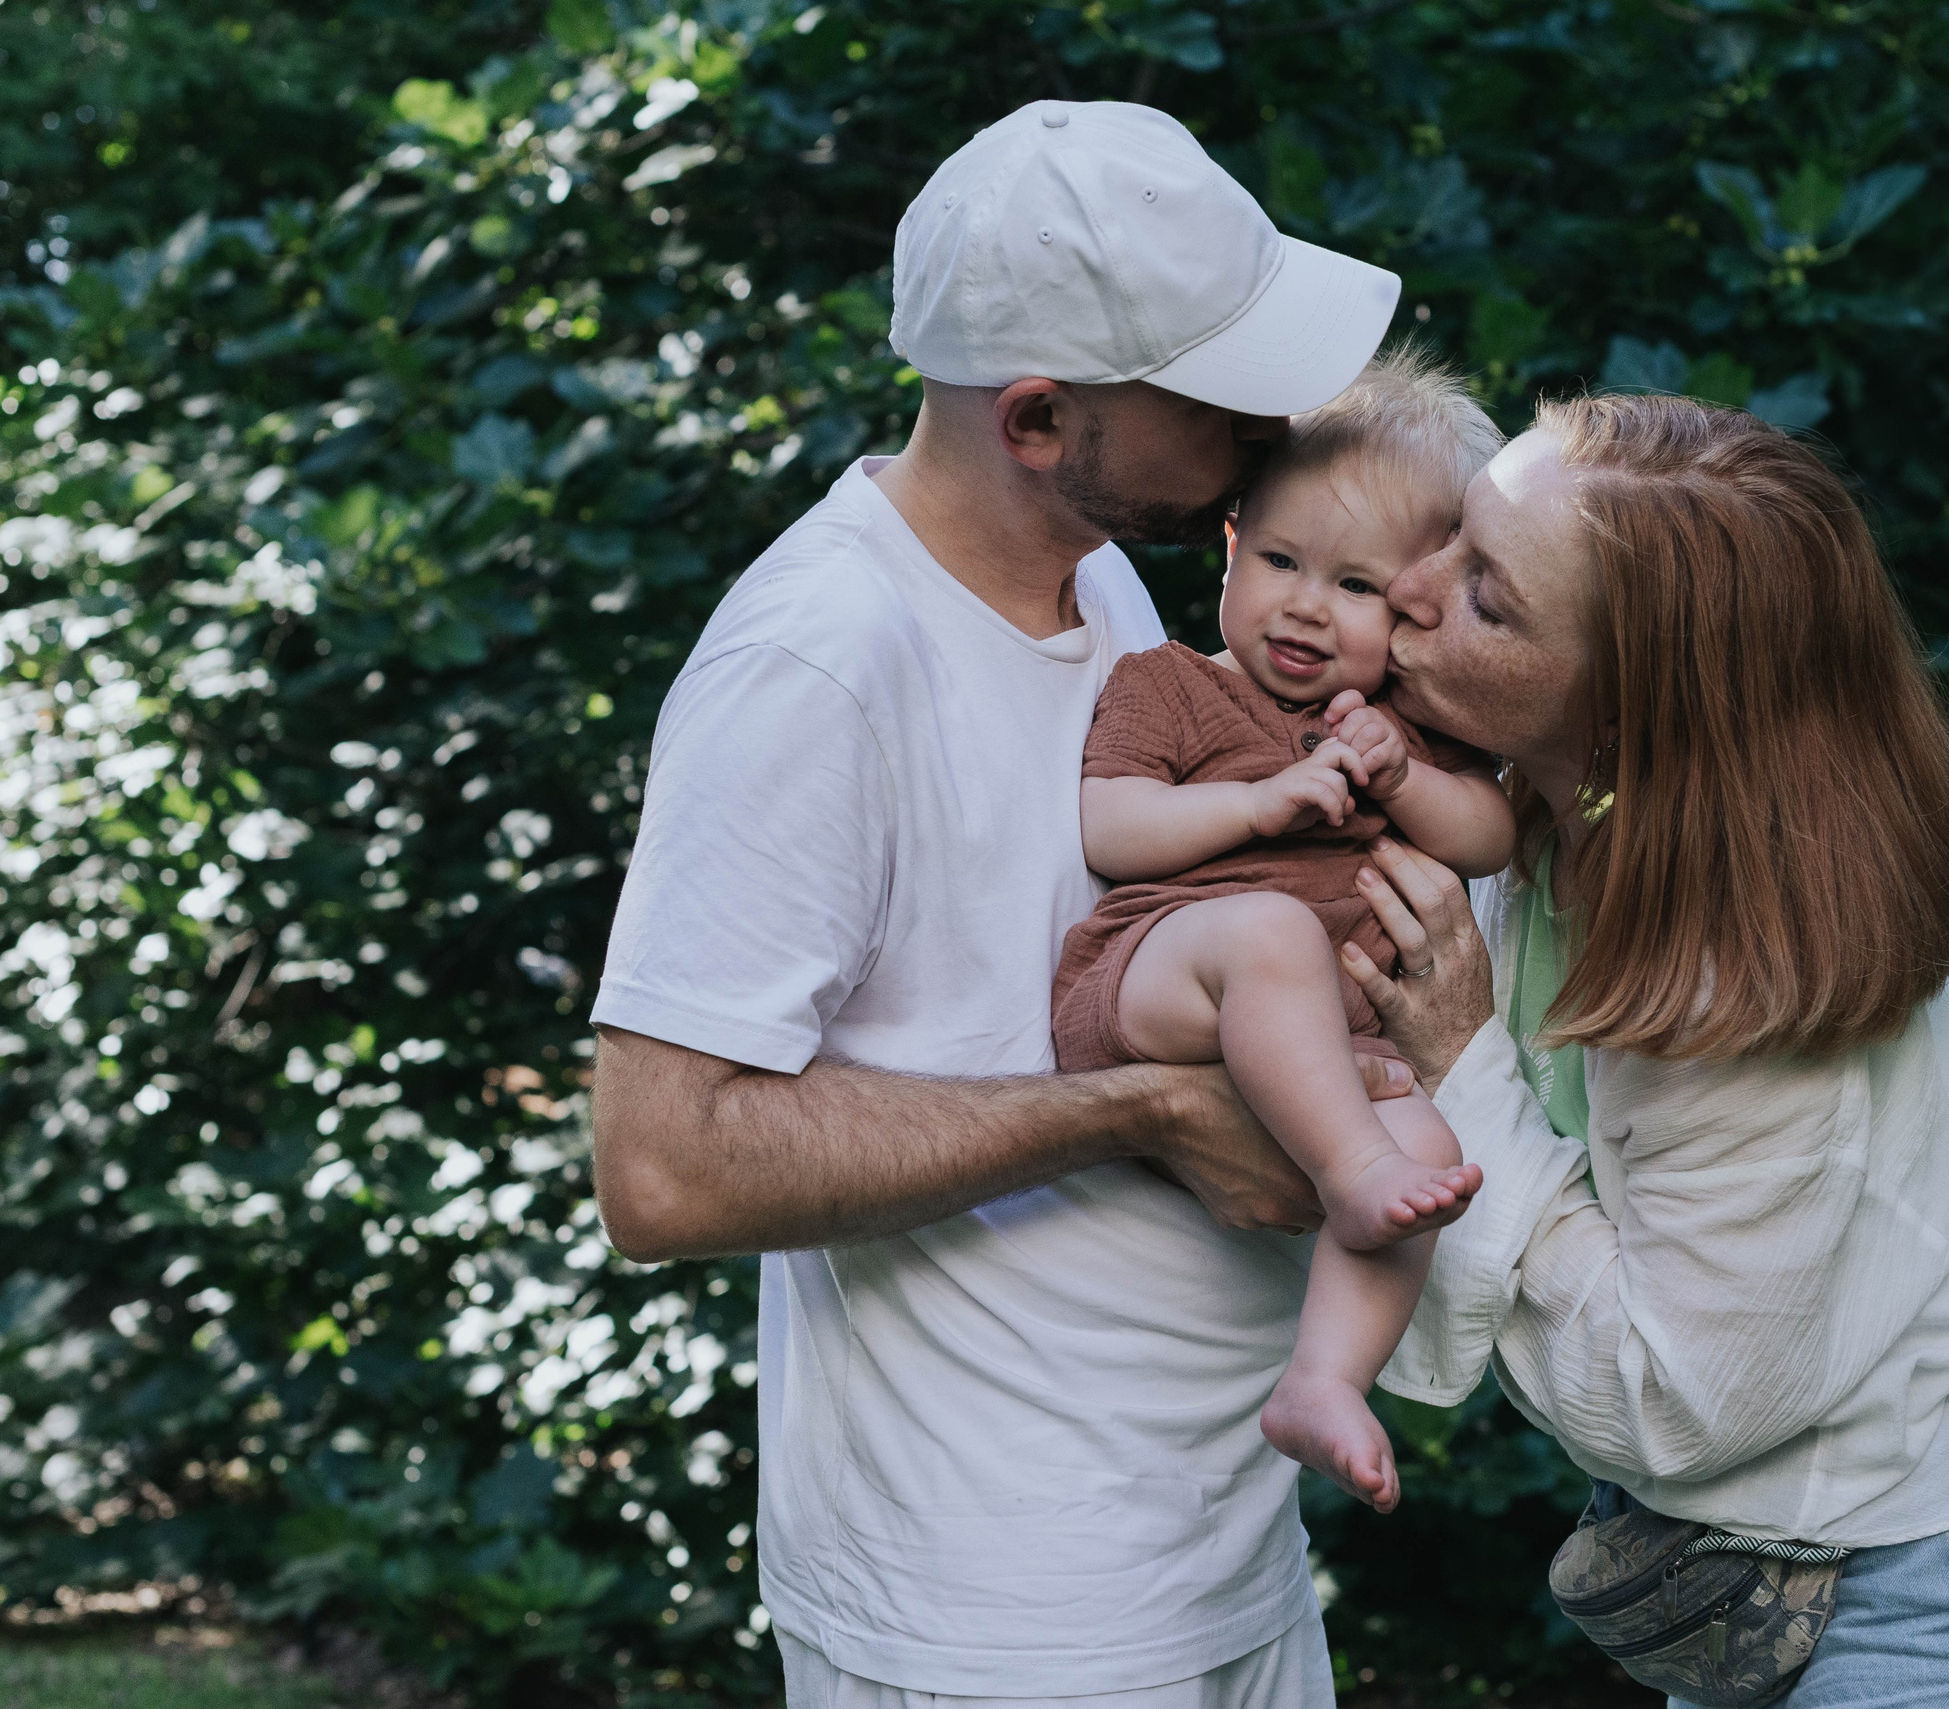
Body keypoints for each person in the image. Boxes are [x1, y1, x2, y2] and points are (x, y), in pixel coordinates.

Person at [588, 99, 1401, 1709]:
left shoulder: (1097, 572)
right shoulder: (820, 662)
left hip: (1213, 1552)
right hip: (1005, 1615)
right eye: (1221, 394)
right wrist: (1138, 1115)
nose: (1277, 421)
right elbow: (663, 1165)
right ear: (1038, 417)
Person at [1345, 394, 1949, 1706]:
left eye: (1489, 597)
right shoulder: (1546, 816)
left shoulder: (1750, 983)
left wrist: (1463, 1069)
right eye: (1455, 534)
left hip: (1933, 1604)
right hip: (1771, 1574)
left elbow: (1671, 1401)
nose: (1410, 592)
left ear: (1630, 721)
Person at [1055, 350, 1510, 1514]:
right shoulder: (1170, 683)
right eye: (1280, 562)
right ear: (1228, 545)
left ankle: (1321, 1378)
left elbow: (1490, 833)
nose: (1306, 604)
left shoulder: (1398, 729)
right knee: (1265, 928)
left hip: (1317, 1047)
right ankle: (1346, 1163)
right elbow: (1114, 824)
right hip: (1160, 972)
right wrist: (1257, 805)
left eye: (1357, 587)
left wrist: (1402, 772)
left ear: (1412, 612)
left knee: (1429, 1152)